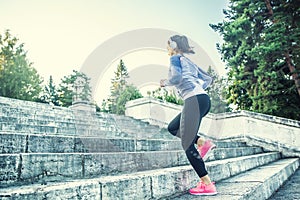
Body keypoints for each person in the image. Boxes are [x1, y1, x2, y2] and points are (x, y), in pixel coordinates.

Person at [160, 35, 217, 196]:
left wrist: (166, 82)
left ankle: (207, 184)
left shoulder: (175, 58)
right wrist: (196, 88)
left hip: (193, 101)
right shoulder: (188, 61)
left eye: (168, 45)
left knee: (186, 144)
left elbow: (176, 77)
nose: (167, 49)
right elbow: (208, 79)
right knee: (173, 127)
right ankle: (201, 142)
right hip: (203, 99)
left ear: (173, 45)